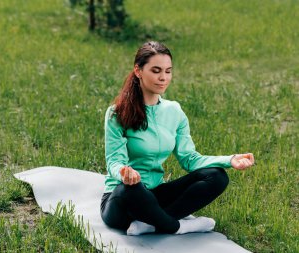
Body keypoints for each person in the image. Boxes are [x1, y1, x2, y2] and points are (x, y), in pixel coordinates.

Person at [100, 41, 255, 236]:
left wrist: (229, 160)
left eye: (168, 71)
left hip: (154, 195)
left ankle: (152, 223)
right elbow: (114, 160)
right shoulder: (117, 113)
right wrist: (123, 173)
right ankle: (179, 226)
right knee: (130, 189)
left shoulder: (174, 111)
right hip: (122, 200)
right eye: (156, 71)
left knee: (217, 176)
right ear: (138, 71)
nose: (163, 78)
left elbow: (189, 159)